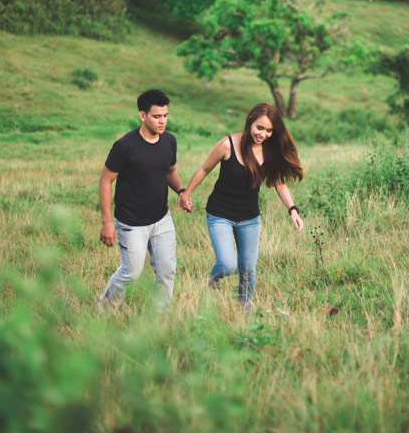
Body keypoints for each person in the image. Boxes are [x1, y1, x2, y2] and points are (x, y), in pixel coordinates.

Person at [180, 102, 304, 313]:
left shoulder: (270, 151)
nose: (263, 134)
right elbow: (204, 169)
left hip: (249, 218)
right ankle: (212, 284)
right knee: (228, 265)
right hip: (220, 214)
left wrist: (292, 209)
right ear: (249, 123)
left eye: (269, 130)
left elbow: (279, 183)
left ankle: (244, 312)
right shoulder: (228, 144)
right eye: (259, 128)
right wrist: (186, 194)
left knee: (247, 270)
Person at [98, 89, 191, 310]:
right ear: (143, 115)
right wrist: (107, 222)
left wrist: (181, 191)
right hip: (131, 223)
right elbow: (105, 181)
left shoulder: (169, 141)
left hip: (161, 219)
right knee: (131, 273)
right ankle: (106, 306)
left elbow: (170, 171)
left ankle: (159, 315)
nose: (162, 121)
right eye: (157, 116)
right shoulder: (125, 146)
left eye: (165, 115)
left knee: (167, 270)